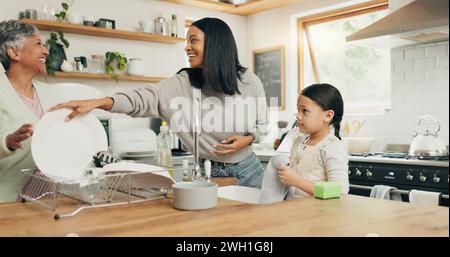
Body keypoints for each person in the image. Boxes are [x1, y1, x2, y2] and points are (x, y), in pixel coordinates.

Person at [50, 17, 269, 188]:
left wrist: (248, 139)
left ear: (216, 44)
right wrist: (101, 102)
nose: (187, 47)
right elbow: (143, 98)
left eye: (194, 40)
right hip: (205, 173)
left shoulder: (250, 82)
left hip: (249, 172)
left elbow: (261, 127)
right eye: (186, 41)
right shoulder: (182, 84)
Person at [260, 83, 349, 203]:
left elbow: (340, 192)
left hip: (317, 216)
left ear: (328, 116)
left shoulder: (332, 147)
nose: (298, 116)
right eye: (298, 110)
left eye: (305, 111)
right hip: (295, 212)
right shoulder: (298, 141)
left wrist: (298, 182)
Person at [0, 20, 59, 202]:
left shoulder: (50, 94)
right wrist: (7, 142)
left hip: (49, 200)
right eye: (38, 44)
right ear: (14, 52)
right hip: (7, 202)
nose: (46, 51)